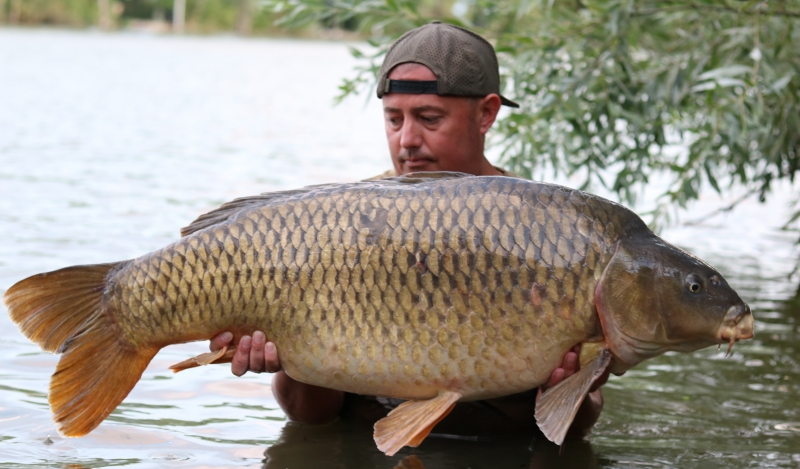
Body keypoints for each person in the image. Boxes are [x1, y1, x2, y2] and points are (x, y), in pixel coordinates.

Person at [209, 21, 608, 439]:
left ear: (486, 113)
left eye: (428, 118)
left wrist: (561, 387)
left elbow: (575, 429)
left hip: (490, 468)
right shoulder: (343, 227)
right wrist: (291, 361)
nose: (407, 140)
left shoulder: (547, 233)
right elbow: (310, 418)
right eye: (394, 119)